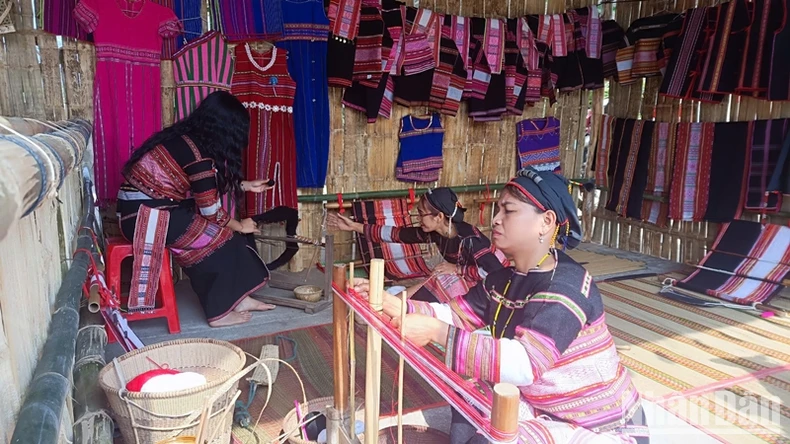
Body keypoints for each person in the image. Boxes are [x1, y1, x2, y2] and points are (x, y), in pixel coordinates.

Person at [351, 167, 648, 443]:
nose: (495, 219)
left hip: (602, 425)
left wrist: (436, 331)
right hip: (541, 406)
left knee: (492, 431)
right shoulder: (505, 278)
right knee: (471, 386)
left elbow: (525, 363)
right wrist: (392, 304)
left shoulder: (566, 285)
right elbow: (456, 314)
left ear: (546, 222)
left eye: (509, 211)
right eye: (497, 210)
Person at [117, 91, 277, 328]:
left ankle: (239, 300)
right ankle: (219, 312)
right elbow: (211, 210)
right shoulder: (198, 155)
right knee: (222, 237)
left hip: (145, 208)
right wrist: (240, 225)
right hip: (144, 217)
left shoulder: (186, 140)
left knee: (222, 232)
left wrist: (245, 185)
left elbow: (206, 190)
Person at [327, 187, 508, 303]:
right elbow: (396, 235)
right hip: (471, 274)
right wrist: (354, 226)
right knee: (436, 278)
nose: (418, 218)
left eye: (421, 214)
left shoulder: (470, 239)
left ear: (439, 217)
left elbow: (497, 273)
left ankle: (388, 306)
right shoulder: (435, 232)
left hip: (494, 286)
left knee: (441, 281)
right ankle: (385, 305)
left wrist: (458, 269)